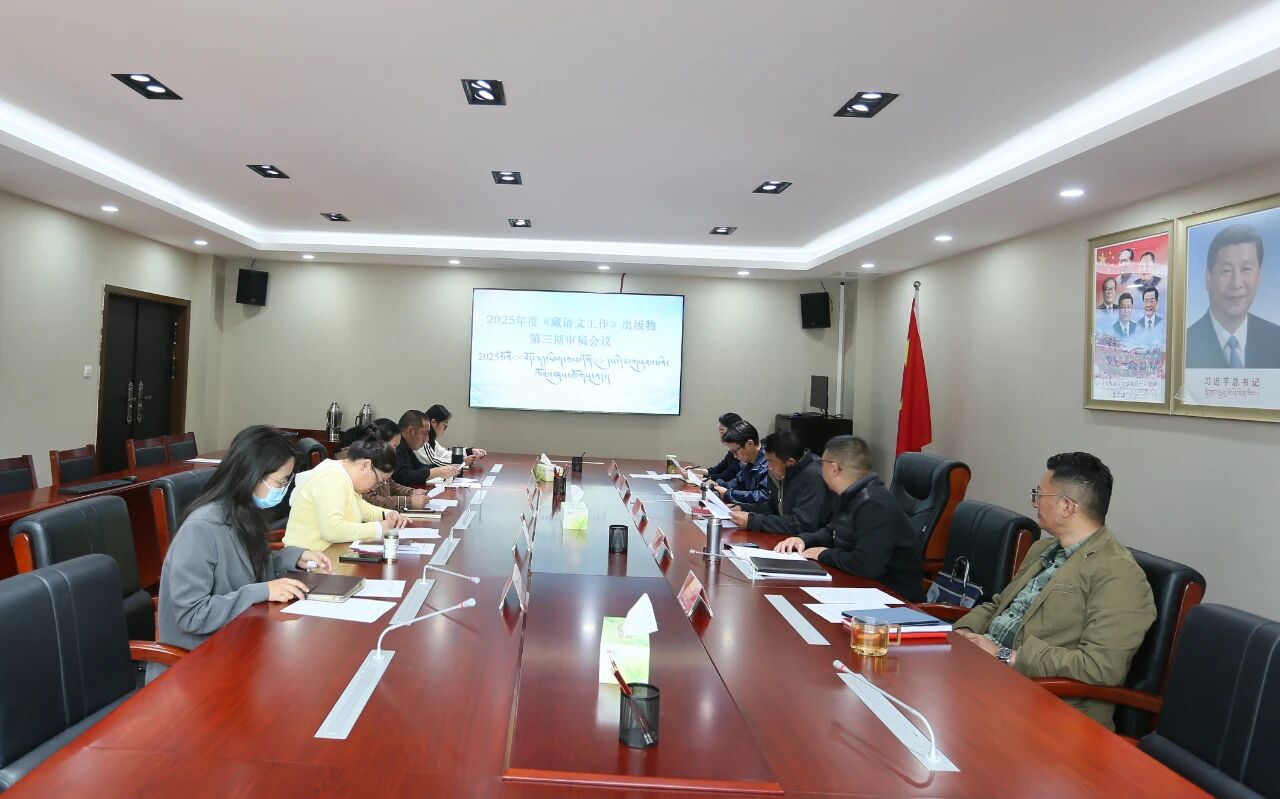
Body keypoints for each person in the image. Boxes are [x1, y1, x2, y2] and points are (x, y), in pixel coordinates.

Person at [951, 452, 1155, 730]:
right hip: (984, 674)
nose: (1034, 502)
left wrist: (1004, 655)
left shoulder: (1118, 573)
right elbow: (1000, 605)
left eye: (1039, 494)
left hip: (1044, 707)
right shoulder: (1042, 549)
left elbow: (1101, 667)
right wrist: (963, 633)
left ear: (1066, 506)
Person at [150, 425, 332, 682]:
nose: (284, 489)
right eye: (281, 482)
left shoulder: (244, 513)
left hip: (242, 642)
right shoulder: (200, 529)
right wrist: (262, 591)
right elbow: (192, 616)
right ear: (252, 475)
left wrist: (294, 557)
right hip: (197, 663)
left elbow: (247, 567)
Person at [774, 435, 923, 602]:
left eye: (822, 463)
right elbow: (833, 531)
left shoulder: (873, 504)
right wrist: (803, 540)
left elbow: (866, 564)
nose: (819, 467)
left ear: (834, 469)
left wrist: (824, 554)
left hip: (895, 600)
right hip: (863, 586)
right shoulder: (851, 493)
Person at [282, 432, 408, 552]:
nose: (375, 487)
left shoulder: (345, 474)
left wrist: (388, 514)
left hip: (329, 554)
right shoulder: (331, 478)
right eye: (378, 480)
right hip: (307, 559)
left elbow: (361, 507)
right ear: (365, 465)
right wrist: (378, 528)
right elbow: (333, 530)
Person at [1185, 222, 1280, 368]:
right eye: (1226, 271)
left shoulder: (1276, 338)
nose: (1236, 284)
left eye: (1246, 269)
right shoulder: (1185, 342)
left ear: (1259, 276)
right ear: (1208, 278)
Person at [728, 429, 827, 535]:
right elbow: (774, 507)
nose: (769, 467)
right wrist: (743, 508)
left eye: (771, 462)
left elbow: (802, 524)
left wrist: (752, 521)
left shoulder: (813, 476)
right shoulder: (780, 470)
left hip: (808, 541)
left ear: (790, 462)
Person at [337, 419, 430, 511]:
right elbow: (368, 501)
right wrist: (408, 502)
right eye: (393, 446)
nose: (395, 452)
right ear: (380, 443)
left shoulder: (375, 458)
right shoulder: (357, 462)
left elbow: (388, 483)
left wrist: (411, 492)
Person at [393, 409, 461, 484]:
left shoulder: (407, 446)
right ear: (410, 431)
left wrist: (441, 469)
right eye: (424, 434)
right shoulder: (394, 446)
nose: (427, 439)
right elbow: (402, 477)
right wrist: (433, 472)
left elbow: (418, 466)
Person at [413, 404, 488, 471]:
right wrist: (462, 461)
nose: (445, 429)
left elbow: (443, 454)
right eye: (445, 425)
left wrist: (469, 451)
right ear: (433, 422)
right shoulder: (422, 439)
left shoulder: (431, 439)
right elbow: (434, 462)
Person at [710, 420, 769, 505]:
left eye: (735, 451)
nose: (734, 456)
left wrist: (728, 493)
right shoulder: (749, 461)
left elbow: (762, 496)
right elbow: (738, 482)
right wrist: (718, 485)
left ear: (749, 444)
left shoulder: (769, 463)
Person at [687, 412, 742, 485]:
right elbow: (718, 469)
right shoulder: (732, 451)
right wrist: (695, 471)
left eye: (722, 432)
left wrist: (697, 476)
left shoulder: (741, 452)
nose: (720, 437)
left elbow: (726, 477)